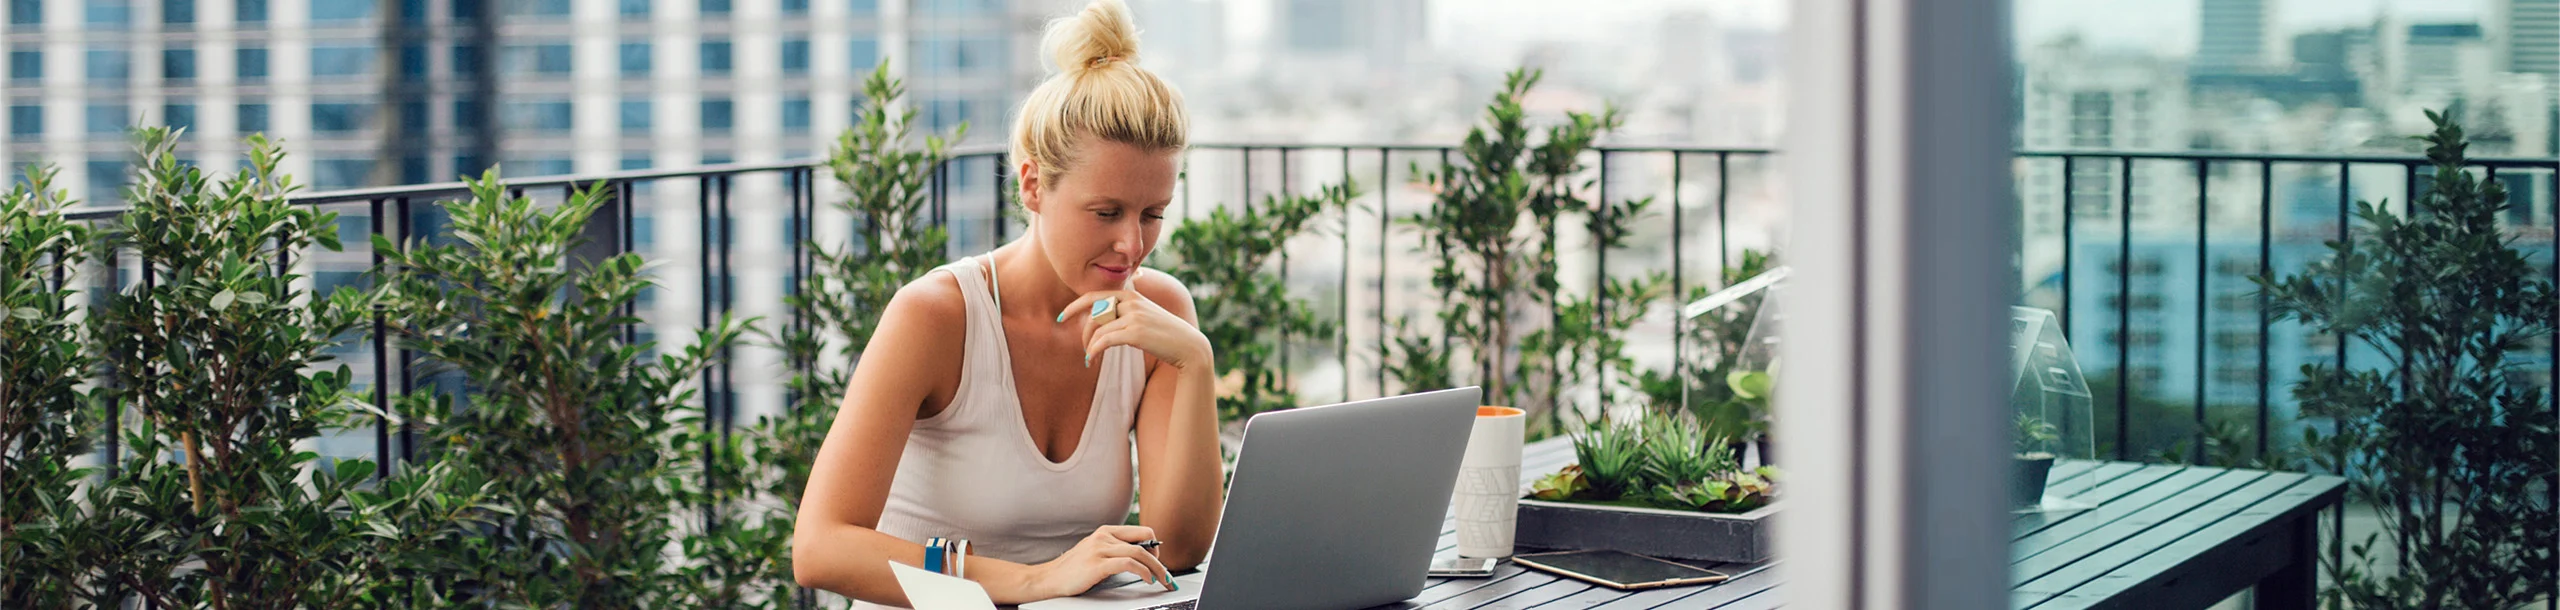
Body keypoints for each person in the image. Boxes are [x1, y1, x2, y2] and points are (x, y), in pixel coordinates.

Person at [791, 0, 1223, 607]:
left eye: (1153, 214)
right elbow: (820, 548)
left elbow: (1176, 548)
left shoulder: (1159, 315)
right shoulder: (937, 315)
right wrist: (1034, 581)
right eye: (1106, 213)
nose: (1132, 244)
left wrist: (1194, 361)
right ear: (1032, 185)